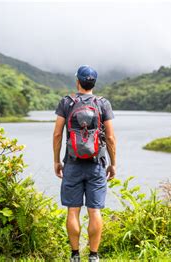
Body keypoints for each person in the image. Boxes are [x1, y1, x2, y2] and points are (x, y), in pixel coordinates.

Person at [53, 65, 117, 262]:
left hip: (72, 163)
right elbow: (111, 138)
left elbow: (57, 134)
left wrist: (56, 161)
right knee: (94, 210)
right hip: (97, 163)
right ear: (94, 83)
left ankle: (74, 256)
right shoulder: (103, 104)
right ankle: (94, 256)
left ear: (77, 81)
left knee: (73, 210)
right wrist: (113, 164)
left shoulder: (67, 102)